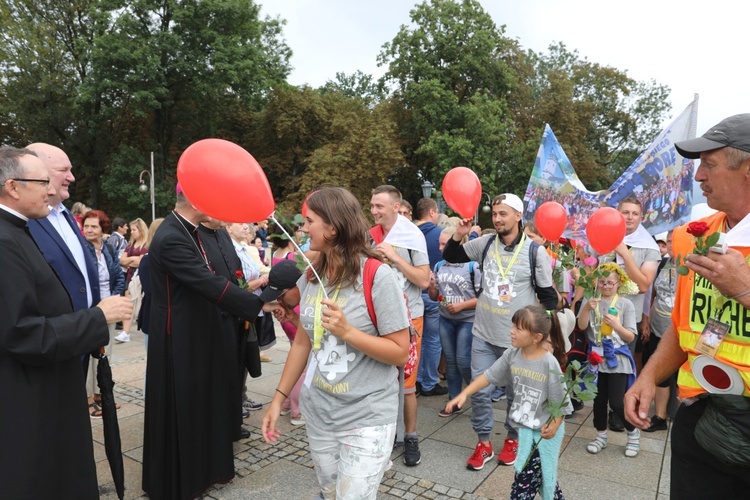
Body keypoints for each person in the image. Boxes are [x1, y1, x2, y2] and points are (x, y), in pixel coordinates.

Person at [625, 114, 750, 498]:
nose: (697, 177)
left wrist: (745, 291)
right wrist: (648, 377)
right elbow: (683, 327)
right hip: (696, 419)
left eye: (709, 165)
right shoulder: (693, 237)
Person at [261, 187, 410, 500]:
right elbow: (302, 343)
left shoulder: (377, 276)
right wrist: (278, 399)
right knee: (330, 494)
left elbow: (400, 352)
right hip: (321, 414)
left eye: (309, 221)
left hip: (367, 417)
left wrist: (348, 332)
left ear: (333, 227)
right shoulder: (312, 276)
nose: (303, 228)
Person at [0, 147, 132, 499]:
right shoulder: (4, 239)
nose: (49, 189)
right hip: (30, 391)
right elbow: (23, 333)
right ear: (13, 187)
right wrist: (97, 317)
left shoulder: (19, 229)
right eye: (41, 181)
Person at [141, 184, 278, 499]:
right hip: (179, 338)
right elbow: (207, 282)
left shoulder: (189, 231)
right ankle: (182, 480)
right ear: (193, 199)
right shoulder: (174, 235)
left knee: (201, 407)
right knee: (184, 409)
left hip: (195, 333)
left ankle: (203, 471)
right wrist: (257, 305)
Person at [442, 193, 558, 469]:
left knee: (516, 396)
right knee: (479, 392)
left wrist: (545, 336)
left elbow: (548, 298)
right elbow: (452, 256)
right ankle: (483, 442)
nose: (497, 219)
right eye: (495, 214)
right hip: (482, 333)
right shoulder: (484, 243)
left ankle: (513, 437)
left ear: (518, 216)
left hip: (517, 341)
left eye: (503, 214)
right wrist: (459, 235)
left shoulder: (534, 251)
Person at [445, 305, 571, 499]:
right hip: (525, 433)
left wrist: (554, 425)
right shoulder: (512, 354)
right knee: (546, 481)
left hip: (541, 437)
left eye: (518, 328)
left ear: (536, 337)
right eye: (513, 326)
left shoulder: (548, 363)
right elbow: (488, 376)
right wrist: (465, 393)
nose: (511, 331)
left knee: (523, 488)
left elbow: (561, 403)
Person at [26, 143, 101, 375]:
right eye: (64, 170)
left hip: (80, 336)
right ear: (38, 172)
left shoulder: (66, 214)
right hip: (51, 343)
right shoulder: (26, 219)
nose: (72, 176)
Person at [370, 184, 430, 466]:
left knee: (406, 384)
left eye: (379, 206)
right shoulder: (371, 237)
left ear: (396, 207)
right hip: (379, 317)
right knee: (380, 378)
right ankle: (384, 435)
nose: (374, 211)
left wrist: (393, 257)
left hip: (410, 319)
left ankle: (411, 437)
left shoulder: (412, 236)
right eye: (371, 206)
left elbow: (424, 280)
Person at [576, 263, 640, 457]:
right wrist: (586, 308)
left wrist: (617, 325)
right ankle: (601, 435)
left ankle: (633, 433)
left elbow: (630, 336)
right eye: (602, 282)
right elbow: (581, 325)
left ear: (619, 282)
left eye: (610, 283)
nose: (605, 286)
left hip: (617, 358)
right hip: (595, 358)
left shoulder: (625, 304)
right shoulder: (591, 299)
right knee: (598, 400)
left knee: (617, 402)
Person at [428, 226, 480, 416]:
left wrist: (462, 306)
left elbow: (483, 298)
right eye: (440, 244)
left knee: (463, 361)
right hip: (446, 319)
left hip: (467, 319)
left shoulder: (472, 266)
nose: (441, 248)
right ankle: (454, 401)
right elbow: (435, 296)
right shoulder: (439, 265)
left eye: (444, 243)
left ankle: (478, 395)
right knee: (450, 361)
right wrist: (432, 286)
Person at [82, 209, 126, 417]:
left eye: (93, 226)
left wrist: (114, 298)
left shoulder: (107, 247)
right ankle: (88, 398)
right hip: (90, 308)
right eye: (86, 226)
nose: (89, 230)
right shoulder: (81, 248)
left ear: (103, 229)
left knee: (106, 352)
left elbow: (118, 275)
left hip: (109, 306)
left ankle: (101, 394)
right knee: (89, 355)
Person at [641, 231, 676, 432]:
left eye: (674, 240)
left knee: (679, 376)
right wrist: (646, 319)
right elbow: (652, 294)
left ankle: (676, 416)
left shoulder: (692, 265)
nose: (671, 244)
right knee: (658, 371)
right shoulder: (663, 263)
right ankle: (659, 416)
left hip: (680, 330)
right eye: (668, 241)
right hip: (658, 326)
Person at [414, 197, 448, 398]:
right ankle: (429, 382)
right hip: (434, 294)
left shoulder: (410, 234)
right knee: (433, 340)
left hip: (415, 294)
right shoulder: (440, 235)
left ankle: (416, 381)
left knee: (417, 340)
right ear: (433, 212)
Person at [115, 217, 149, 343]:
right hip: (130, 277)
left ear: (141, 230)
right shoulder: (130, 244)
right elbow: (121, 260)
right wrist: (132, 260)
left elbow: (141, 261)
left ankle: (130, 330)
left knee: (138, 303)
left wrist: (130, 260)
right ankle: (126, 332)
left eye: (134, 230)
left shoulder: (146, 244)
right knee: (128, 304)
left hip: (141, 278)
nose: (132, 232)